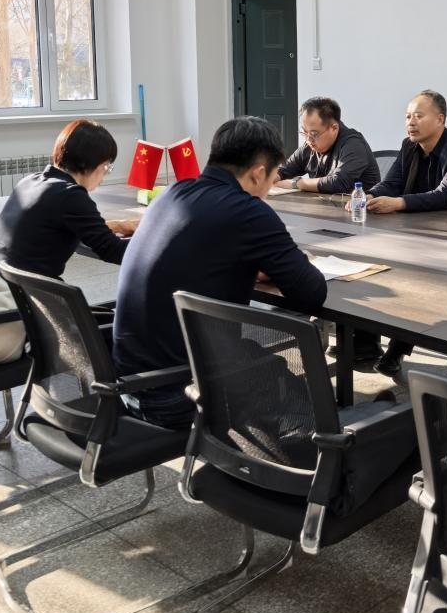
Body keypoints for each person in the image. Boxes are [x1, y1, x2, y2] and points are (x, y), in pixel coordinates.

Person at [112, 116, 327, 428]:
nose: (269, 189)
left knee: (257, 358)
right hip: (179, 395)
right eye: (272, 180)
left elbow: (203, 256)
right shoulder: (249, 212)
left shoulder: (172, 194)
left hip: (129, 384)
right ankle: (326, 446)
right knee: (290, 388)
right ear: (258, 173)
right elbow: (311, 293)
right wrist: (288, 262)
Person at [365, 90, 447, 375]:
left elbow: (446, 195)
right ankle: (363, 341)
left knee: (412, 279)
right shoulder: (409, 146)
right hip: (418, 231)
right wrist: (369, 195)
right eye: (408, 116)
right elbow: (392, 182)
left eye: (419, 116)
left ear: (440, 119)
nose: (411, 122)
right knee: (372, 262)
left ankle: (396, 348)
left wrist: (399, 203)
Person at [0, 118, 137, 280]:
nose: (105, 175)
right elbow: (114, 251)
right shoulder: (71, 195)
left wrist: (118, 225)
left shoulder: (30, 181)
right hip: (25, 289)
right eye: (107, 166)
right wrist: (153, 239)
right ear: (88, 163)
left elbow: (63, 226)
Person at [276, 96, 381, 194]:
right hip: (323, 204)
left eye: (313, 134)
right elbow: (284, 170)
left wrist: (297, 183)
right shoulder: (310, 145)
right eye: (304, 132)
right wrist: (272, 177)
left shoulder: (354, 145)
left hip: (359, 206)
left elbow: (338, 182)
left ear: (334, 128)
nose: (308, 140)